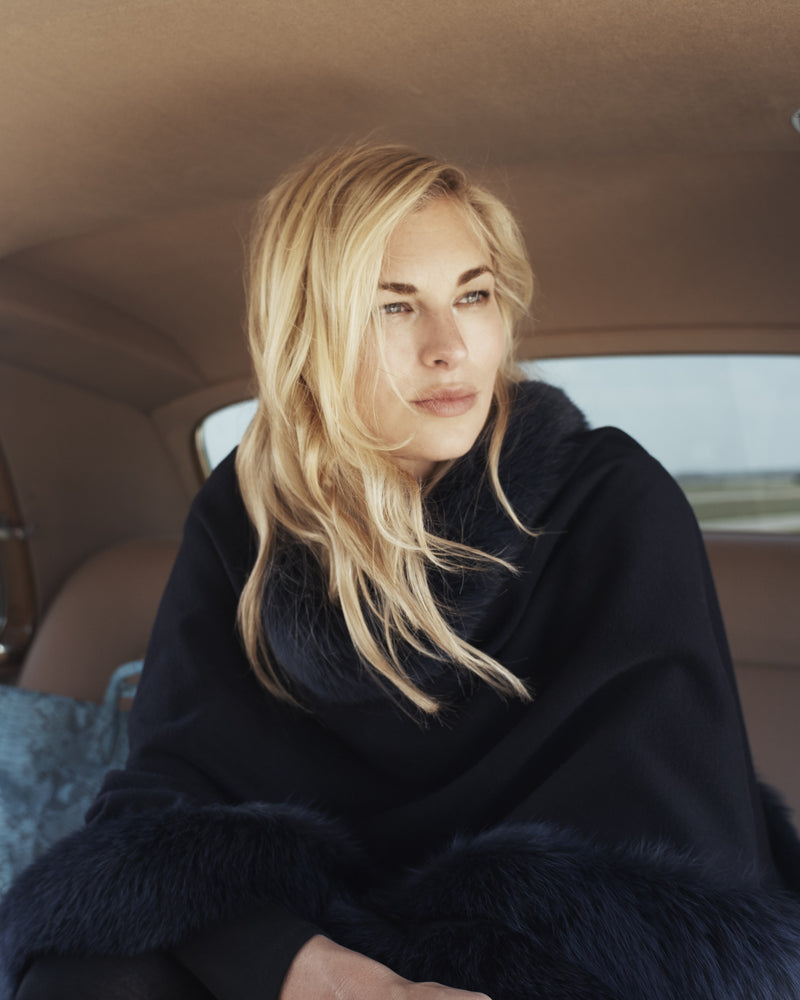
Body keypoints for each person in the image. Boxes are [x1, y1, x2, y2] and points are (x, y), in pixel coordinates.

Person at [2, 142, 800, 1000]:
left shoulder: (611, 496)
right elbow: (161, 809)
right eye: (394, 306)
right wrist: (322, 976)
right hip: (318, 932)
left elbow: (663, 863)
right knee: (86, 971)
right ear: (311, 330)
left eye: (474, 294)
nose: (450, 346)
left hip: (541, 945)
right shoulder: (248, 511)